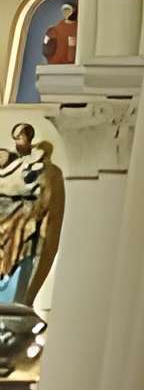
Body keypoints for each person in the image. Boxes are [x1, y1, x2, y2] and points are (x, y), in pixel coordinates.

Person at [0, 123, 61, 307]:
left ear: (29, 138)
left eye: (21, 138)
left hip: (24, 231)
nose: (18, 143)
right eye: (16, 138)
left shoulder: (42, 168)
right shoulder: (11, 165)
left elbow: (43, 202)